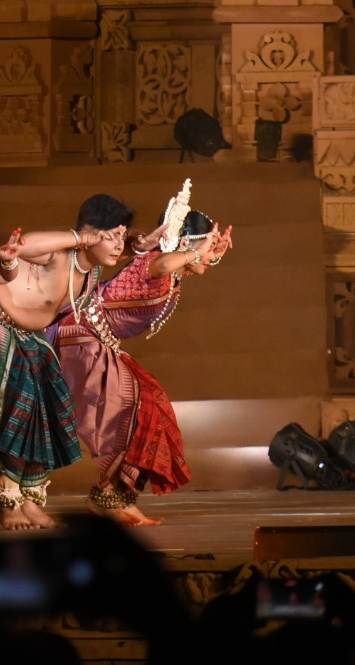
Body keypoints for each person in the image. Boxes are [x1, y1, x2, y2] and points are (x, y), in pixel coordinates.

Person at [56, 181, 234, 525]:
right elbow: (166, 263)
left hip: (99, 340)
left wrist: (205, 254)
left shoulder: (175, 276)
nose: (210, 256)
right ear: (185, 245)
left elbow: (180, 266)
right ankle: (108, 496)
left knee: (152, 404)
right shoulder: (153, 264)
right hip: (79, 334)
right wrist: (196, 254)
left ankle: (116, 496)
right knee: (127, 405)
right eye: (204, 246)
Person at [0, 198, 134, 530]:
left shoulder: (91, 269)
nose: (119, 244)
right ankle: (6, 500)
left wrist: (139, 242)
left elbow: (133, 251)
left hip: (27, 335)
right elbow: (24, 245)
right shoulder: (58, 254)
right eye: (113, 235)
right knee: (16, 408)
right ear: (89, 233)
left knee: (49, 409)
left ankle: (31, 499)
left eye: (123, 236)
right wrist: (82, 238)